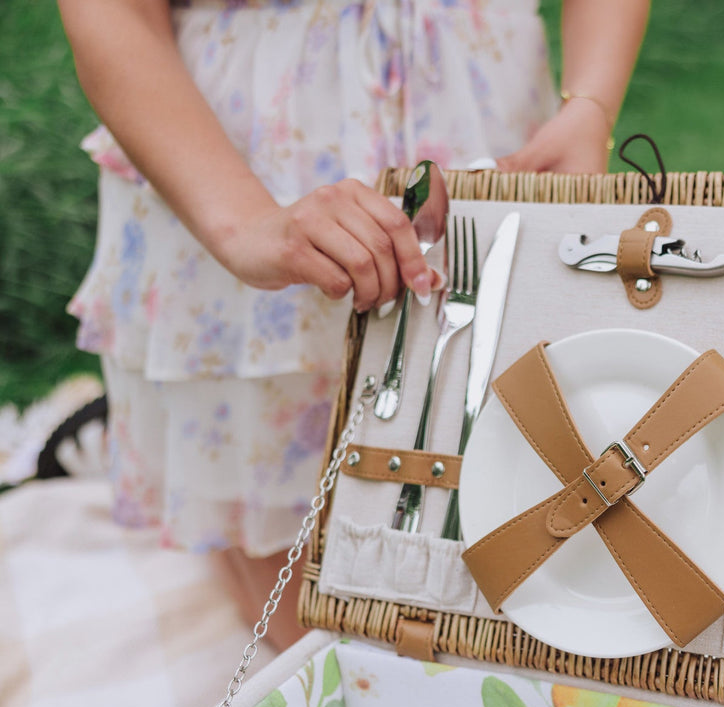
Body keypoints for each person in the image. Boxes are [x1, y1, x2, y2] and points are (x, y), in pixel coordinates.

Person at [57, 0, 650, 649]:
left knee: (520, 505)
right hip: (242, 157)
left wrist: (590, 104)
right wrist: (244, 222)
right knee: (310, 629)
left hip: (485, 117)